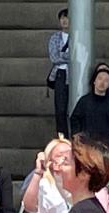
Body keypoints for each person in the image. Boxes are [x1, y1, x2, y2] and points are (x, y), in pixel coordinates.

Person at [69, 66, 109, 157]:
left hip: (106, 149)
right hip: (86, 147)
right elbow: (74, 119)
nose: (102, 82)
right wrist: (77, 137)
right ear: (94, 81)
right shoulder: (84, 101)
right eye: (100, 79)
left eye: (106, 80)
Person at [48, 8, 71, 136]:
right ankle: (63, 139)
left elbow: (79, 56)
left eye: (67, 17)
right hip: (60, 74)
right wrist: (69, 56)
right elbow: (54, 58)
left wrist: (63, 55)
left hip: (75, 74)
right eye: (62, 18)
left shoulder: (79, 37)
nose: (64, 20)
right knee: (60, 110)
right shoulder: (55, 38)